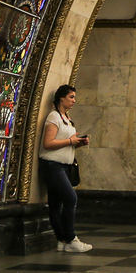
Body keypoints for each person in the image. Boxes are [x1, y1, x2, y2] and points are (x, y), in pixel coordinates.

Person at [39, 84, 91, 252]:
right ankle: (70, 238)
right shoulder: (54, 117)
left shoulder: (67, 118)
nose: (74, 100)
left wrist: (79, 143)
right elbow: (48, 143)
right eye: (71, 97)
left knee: (56, 204)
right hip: (52, 165)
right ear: (61, 98)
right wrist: (70, 141)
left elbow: (66, 144)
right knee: (71, 198)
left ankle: (61, 239)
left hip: (65, 166)